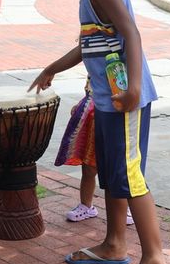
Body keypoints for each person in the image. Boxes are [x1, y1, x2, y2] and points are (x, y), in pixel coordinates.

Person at [30, 0, 170, 264]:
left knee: (129, 176)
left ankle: (155, 262)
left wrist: (135, 87)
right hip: (108, 98)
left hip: (125, 98)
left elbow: (131, 33)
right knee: (111, 172)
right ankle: (114, 244)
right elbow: (89, 44)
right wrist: (52, 68)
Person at [55, 79, 134, 226]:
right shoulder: (95, 69)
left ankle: (125, 209)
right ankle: (86, 206)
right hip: (92, 125)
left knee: (118, 171)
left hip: (112, 121)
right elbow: (89, 93)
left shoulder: (119, 70)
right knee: (88, 169)